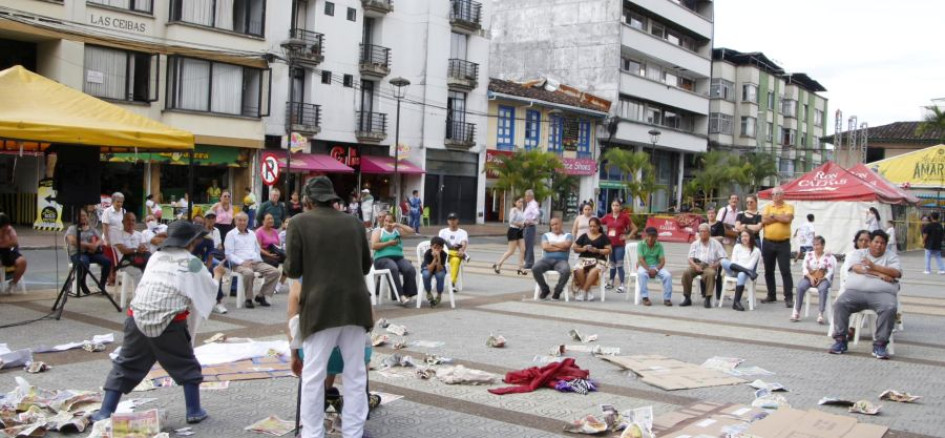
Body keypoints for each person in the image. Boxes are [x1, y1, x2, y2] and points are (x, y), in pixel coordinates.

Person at [90, 221, 224, 424]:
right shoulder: (192, 262)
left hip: (137, 316)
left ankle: (105, 411)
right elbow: (207, 290)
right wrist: (218, 275)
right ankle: (194, 410)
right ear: (191, 242)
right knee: (186, 364)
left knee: (125, 365)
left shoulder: (156, 257)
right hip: (169, 322)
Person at [284, 176, 374, 438]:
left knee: (313, 375)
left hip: (320, 307)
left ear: (308, 200)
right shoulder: (355, 223)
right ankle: (353, 433)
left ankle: (313, 434)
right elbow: (366, 266)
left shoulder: (299, 223)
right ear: (332, 198)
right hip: (356, 305)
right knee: (355, 374)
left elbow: (293, 269)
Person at [829, 230, 901, 360]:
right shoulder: (859, 253)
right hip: (855, 292)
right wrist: (880, 274)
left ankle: (880, 344)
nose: (879, 245)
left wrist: (873, 266)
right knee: (840, 303)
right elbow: (857, 268)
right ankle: (840, 341)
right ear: (870, 242)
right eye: (876, 242)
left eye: (882, 243)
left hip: (882, 294)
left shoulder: (891, 256)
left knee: (889, 307)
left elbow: (896, 273)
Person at [224, 212, 281, 308]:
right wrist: (243, 262)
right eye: (240, 220)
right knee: (248, 273)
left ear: (247, 221)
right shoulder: (231, 234)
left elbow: (257, 249)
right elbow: (228, 254)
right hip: (239, 264)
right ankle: (248, 298)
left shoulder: (251, 233)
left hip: (255, 261)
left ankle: (261, 295)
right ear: (235, 221)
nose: (242, 222)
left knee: (275, 272)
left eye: (244, 220)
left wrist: (256, 259)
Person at [371, 214, 417, 306]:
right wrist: (388, 243)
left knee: (410, 269)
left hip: (398, 258)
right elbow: (374, 246)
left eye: (390, 221)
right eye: (386, 221)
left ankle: (407, 294)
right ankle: (400, 295)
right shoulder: (379, 232)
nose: (388, 223)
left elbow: (412, 231)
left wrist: (399, 225)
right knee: (393, 267)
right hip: (381, 259)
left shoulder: (397, 232)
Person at [761, 187, 795, 307]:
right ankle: (771, 294)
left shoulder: (789, 207)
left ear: (782, 195)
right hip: (768, 242)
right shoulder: (768, 207)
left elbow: (787, 219)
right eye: (774, 194)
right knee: (768, 270)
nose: (775, 196)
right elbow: (764, 220)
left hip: (783, 243)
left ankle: (789, 297)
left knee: (785, 270)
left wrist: (773, 217)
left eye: (778, 194)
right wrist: (778, 217)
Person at [64, 209, 111, 295]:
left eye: (85, 215)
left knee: (107, 261)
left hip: (91, 253)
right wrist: (88, 245)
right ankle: (82, 281)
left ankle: (102, 284)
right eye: (81, 216)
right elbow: (72, 241)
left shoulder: (91, 228)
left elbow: (101, 240)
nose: (83, 218)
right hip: (77, 253)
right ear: (76, 218)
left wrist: (95, 245)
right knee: (84, 262)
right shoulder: (72, 228)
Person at [792, 235, 836, 323]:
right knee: (800, 286)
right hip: (810, 277)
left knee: (823, 289)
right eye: (814, 245)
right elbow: (804, 267)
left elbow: (830, 271)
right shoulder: (809, 254)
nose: (816, 247)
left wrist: (822, 278)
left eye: (818, 245)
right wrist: (810, 277)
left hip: (823, 278)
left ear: (823, 245)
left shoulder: (829, 256)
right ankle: (796, 311)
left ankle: (820, 313)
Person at [682, 223, 727, 308]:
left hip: (709, 265)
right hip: (696, 264)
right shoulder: (695, 243)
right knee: (686, 273)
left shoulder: (716, 243)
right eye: (700, 231)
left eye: (704, 231)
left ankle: (707, 298)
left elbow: (723, 257)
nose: (701, 233)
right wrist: (695, 266)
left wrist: (716, 265)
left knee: (711, 274)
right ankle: (687, 297)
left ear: (709, 233)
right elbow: (690, 258)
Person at [600, 199, 638, 293]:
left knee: (619, 265)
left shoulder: (624, 217)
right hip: (609, 244)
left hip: (620, 245)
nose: (615, 207)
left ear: (620, 207)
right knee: (612, 265)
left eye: (617, 205)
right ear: (611, 206)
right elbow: (597, 223)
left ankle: (622, 285)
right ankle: (611, 282)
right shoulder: (607, 216)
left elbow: (635, 228)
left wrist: (627, 236)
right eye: (613, 205)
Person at [571, 217, 611, 301]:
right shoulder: (584, 236)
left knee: (594, 270)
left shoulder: (604, 237)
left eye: (594, 226)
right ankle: (588, 290)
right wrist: (583, 249)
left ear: (599, 226)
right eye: (590, 226)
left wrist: (597, 250)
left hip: (599, 260)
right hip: (584, 259)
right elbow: (574, 248)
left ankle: (583, 291)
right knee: (578, 269)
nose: (592, 228)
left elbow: (609, 250)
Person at [532, 218, 573, 300]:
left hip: (561, 261)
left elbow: (567, 245)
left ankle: (557, 291)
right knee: (535, 268)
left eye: (556, 224)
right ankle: (545, 289)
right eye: (552, 225)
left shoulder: (568, 235)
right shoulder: (546, 235)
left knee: (566, 270)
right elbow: (545, 247)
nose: (555, 226)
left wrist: (552, 244)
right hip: (546, 260)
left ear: (561, 224)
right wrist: (561, 248)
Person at [720, 230, 761, 311]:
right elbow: (733, 262)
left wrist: (743, 270)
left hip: (745, 274)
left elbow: (750, 266)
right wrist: (745, 270)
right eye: (742, 236)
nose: (744, 238)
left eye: (746, 236)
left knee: (742, 274)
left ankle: (736, 302)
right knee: (723, 261)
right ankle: (746, 272)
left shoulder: (756, 251)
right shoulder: (737, 246)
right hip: (734, 271)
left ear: (751, 237)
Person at [636, 226, 672, 306]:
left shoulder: (659, 245)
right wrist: (649, 270)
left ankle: (667, 298)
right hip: (644, 266)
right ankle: (645, 297)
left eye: (653, 236)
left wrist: (655, 269)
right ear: (646, 236)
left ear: (656, 237)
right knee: (641, 274)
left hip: (656, 266)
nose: (650, 238)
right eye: (649, 236)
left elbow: (662, 261)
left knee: (667, 275)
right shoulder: (641, 244)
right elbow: (641, 260)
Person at [114, 212, 149, 286]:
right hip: (125, 263)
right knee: (138, 272)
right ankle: (139, 296)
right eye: (128, 220)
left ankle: (147, 294)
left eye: (133, 220)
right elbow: (123, 250)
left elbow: (143, 247)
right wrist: (136, 249)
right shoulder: (118, 234)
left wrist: (142, 248)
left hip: (139, 260)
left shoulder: (139, 234)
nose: (131, 222)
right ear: (123, 222)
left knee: (150, 270)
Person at [493, 198, 526, 275]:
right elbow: (511, 221)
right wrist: (520, 224)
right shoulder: (513, 210)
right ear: (515, 202)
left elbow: (523, 221)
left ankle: (520, 268)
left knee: (523, 249)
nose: (521, 203)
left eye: (522, 202)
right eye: (519, 202)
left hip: (520, 231)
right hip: (513, 231)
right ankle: (498, 264)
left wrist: (524, 224)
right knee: (511, 251)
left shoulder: (521, 211)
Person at [101, 192, 126, 286]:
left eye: (121, 202)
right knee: (110, 260)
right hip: (109, 239)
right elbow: (105, 226)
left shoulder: (124, 211)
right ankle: (110, 279)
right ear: (113, 202)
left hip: (119, 239)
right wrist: (107, 240)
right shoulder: (107, 211)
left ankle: (115, 278)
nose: (120, 204)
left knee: (119, 260)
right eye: (118, 202)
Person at [438, 213, 469, 286]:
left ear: (457, 220)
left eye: (454, 219)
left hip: (456, 255)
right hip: (443, 254)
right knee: (450, 249)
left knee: (456, 260)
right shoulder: (443, 231)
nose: (452, 221)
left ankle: (452, 283)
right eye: (450, 219)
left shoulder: (463, 232)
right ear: (447, 221)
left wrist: (461, 250)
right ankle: (465, 256)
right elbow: (439, 243)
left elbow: (463, 243)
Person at [422, 236, 450, 306]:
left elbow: (438, 269)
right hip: (428, 267)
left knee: (440, 275)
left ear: (442, 248)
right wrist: (434, 258)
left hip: (439, 268)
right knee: (426, 274)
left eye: (439, 248)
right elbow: (430, 269)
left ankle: (439, 294)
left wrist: (439, 257)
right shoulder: (428, 253)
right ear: (431, 247)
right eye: (435, 247)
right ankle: (428, 292)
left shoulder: (443, 254)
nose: (436, 250)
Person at [522, 189, 540, 270]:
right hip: (527, 226)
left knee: (528, 245)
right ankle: (529, 262)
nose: (525, 197)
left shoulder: (533, 204)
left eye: (526, 196)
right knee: (527, 244)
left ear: (530, 196)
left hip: (530, 227)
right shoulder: (530, 204)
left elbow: (537, 213)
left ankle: (529, 263)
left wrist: (531, 220)